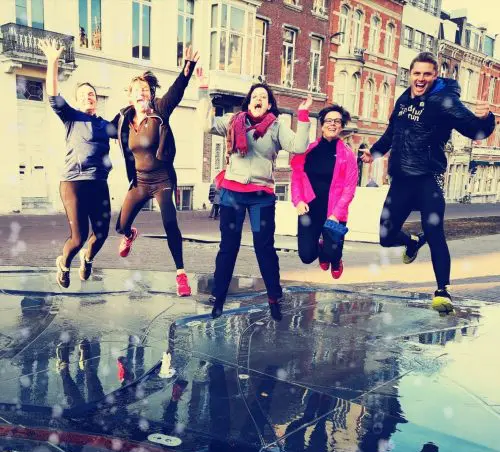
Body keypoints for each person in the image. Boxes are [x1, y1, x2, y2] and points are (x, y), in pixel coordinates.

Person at [360, 52, 495, 313]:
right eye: (417, 73)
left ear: (435, 76)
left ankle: (442, 291)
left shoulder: (445, 101)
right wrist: (374, 153)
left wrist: (486, 118)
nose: (421, 79)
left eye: (427, 74)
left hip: (427, 180)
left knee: (435, 235)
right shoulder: (403, 99)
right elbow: (392, 133)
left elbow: (474, 130)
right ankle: (412, 241)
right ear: (410, 74)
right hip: (401, 180)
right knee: (386, 237)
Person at [197, 71, 312, 321]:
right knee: (228, 247)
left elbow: (299, 146)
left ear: (269, 105)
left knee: (264, 247)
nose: (258, 99)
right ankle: (219, 296)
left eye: (263, 97)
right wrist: (203, 92)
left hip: (261, 196)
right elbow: (206, 125)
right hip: (232, 195)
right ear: (248, 103)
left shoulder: (276, 127)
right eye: (254, 97)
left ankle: (274, 297)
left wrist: (303, 116)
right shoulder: (233, 121)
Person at [112, 47, 199, 297]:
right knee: (120, 225)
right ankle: (130, 234)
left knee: (170, 222)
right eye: (137, 90)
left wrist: (187, 70)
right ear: (130, 96)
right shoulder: (123, 119)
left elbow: (176, 92)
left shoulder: (160, 110)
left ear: (150, 95)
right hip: (139, 182)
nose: (142, 93)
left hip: (162, 180)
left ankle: (181, 274)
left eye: (145, 90)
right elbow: (100, 130)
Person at [40, 39, 116, 289]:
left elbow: (129, 132)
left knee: (102, 234)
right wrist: (53, 61)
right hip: (73, 182)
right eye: (83, 95)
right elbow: (53, 94)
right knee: (79, 236)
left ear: (96, 99)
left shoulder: (106, 125)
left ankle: (88, 258)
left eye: (91, 94)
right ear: (78, 101)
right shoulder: (72, 116)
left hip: (99, 183)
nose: (88, 97)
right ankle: (64, 263)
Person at [291, 105, 358, 279]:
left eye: (337, 121)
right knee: (306, 256)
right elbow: (297, 176)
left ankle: (335, 259)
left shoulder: (348, 155)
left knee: (332, 253)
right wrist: (298, 200)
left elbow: (350, 188)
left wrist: (337, 214)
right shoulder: (309, 150)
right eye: (328, 120)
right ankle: (322, 249)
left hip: (334, 213)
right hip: (309, 210)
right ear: (322, 125)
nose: (332, 124)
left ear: (341, 126)